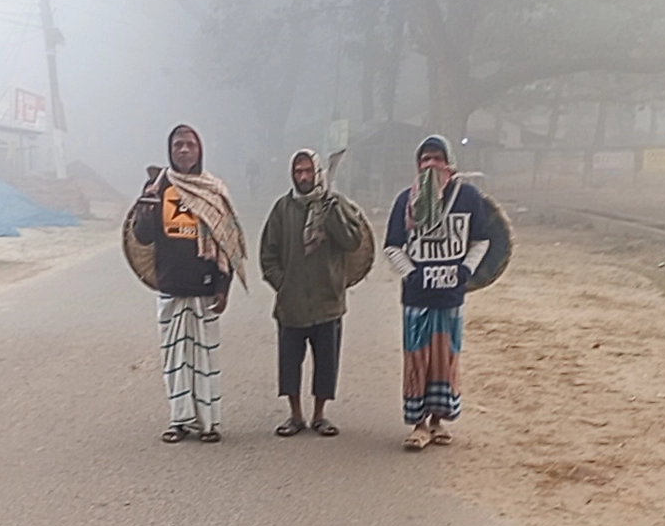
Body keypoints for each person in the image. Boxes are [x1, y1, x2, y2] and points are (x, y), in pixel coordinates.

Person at [133, 124, 248, 444]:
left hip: (205, 287)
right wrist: (147, 206)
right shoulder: (158, 186)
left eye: (190, 144)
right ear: (169, 150)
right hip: (170, 286)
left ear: (200, 150)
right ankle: (179, 421)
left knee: (204, 359)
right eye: (177, 145)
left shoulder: (213, 190)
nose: (183, 150)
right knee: (174, 359)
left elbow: (226, 241)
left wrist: (223, 287)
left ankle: (208, 424)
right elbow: (143, 236)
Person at [383, 135, 490, 451]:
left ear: (449, 163)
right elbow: (392, 245)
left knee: (446, 360)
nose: (431, 164)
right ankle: (418, 425)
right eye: (425, 159)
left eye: (437, 159)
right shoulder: (406, 201)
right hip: (417, 299)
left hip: (450, 297)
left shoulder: (468, 197)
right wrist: (411, 273)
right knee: (418, 361)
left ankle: (437, 421)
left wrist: (465, 270)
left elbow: (482, 240)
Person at [260, 149, 366, 438]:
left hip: (328, 301)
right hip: (291, 304)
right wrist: (283, 283)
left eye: (308, 171)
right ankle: (295, 415)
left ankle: (320, 415)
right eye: (298, 172)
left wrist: (332, 212)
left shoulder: (335, 204)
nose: (303, 177)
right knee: (290, 362)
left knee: (326, 363)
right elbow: (268, 253)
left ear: (318, 172)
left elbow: (352, 241)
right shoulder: (283, 209)